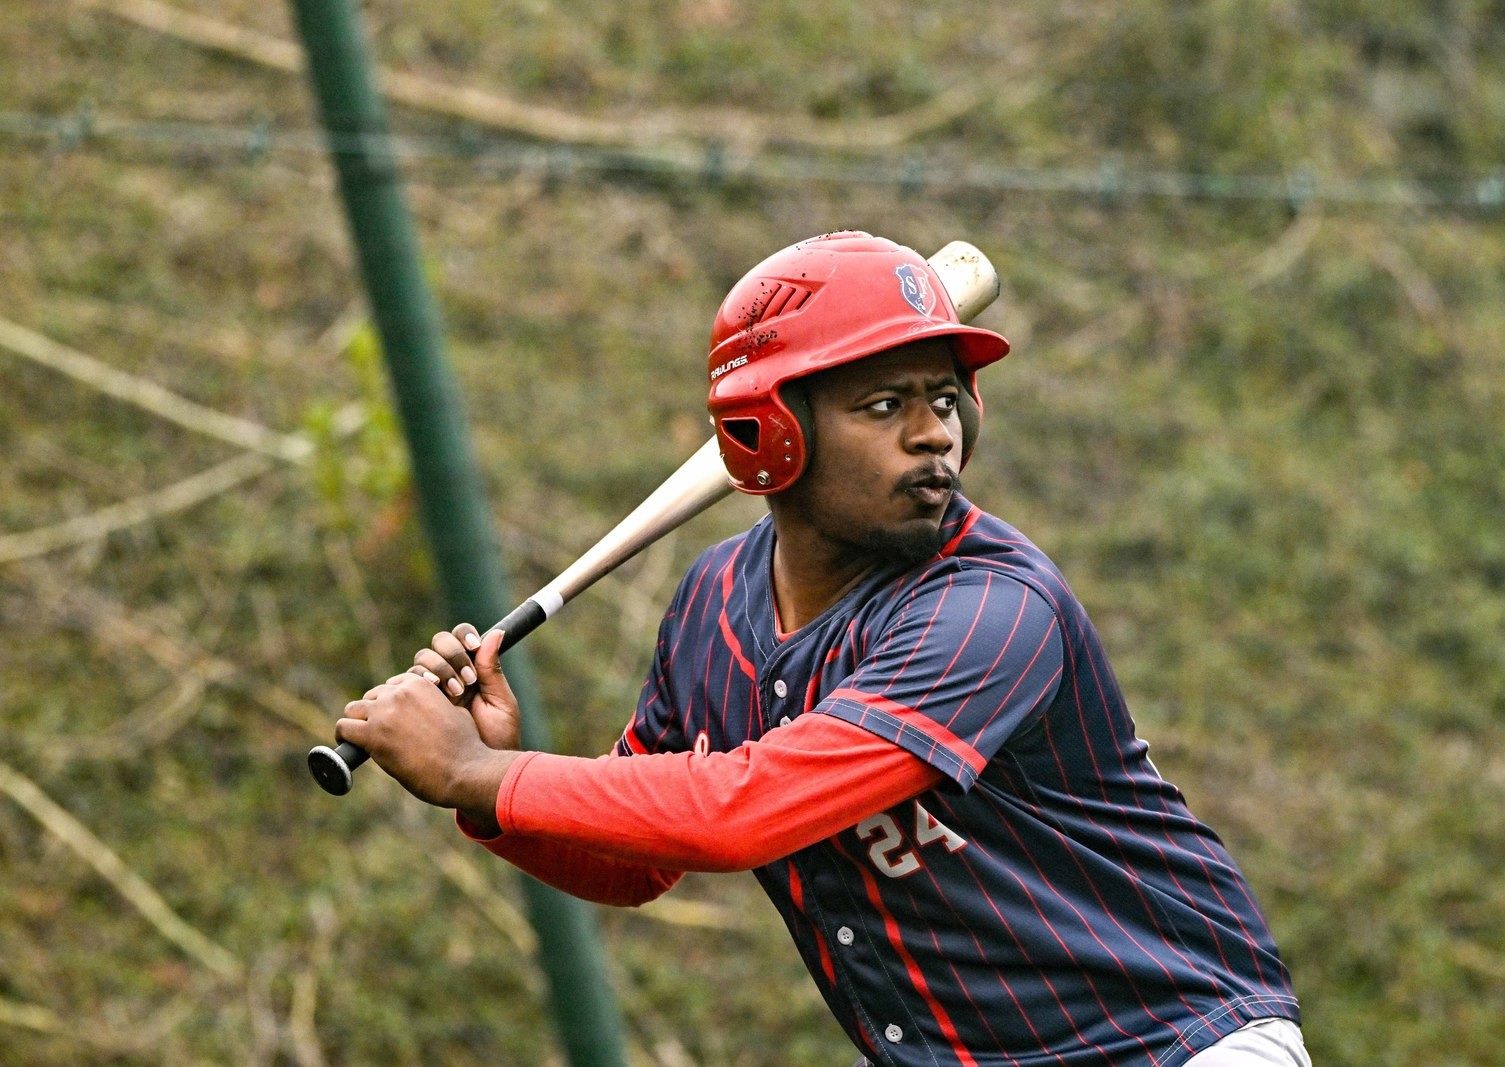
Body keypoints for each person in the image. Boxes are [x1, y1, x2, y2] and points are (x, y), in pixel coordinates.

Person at [337, 231, 1312, 1066]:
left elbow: (743, 812)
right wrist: (497, 789)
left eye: (944, 396)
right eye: (886, 404)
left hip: (1172, 1040)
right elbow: (639, 861)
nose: (934, 434)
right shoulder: (714, 604)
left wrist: (478, 772)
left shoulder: (990, 609)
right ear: (768, 438)